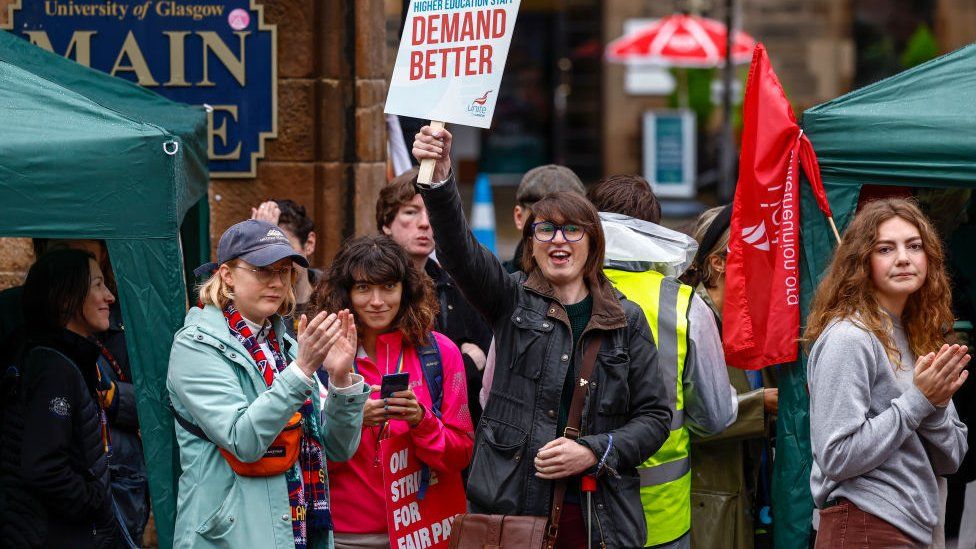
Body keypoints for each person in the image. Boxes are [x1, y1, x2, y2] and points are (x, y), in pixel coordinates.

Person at [412, 125, 672, 548]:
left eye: (573, 229)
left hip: (598, 520)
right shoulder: (510, 298)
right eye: (545, 230)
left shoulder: (627, 319)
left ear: (593, 243)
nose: (558, 240)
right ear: (530, 243)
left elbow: (655, 418)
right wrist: (440, 180)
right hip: (514, 514)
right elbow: (459, 251)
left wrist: (594, 450)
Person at [167, 219, 370, 549]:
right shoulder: (195, 345)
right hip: (230, 536)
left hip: (295, 526)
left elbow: (336, 448)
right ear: (227, 274)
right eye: (263, 270)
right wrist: (303, 370)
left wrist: (341, 380)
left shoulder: (284, 345)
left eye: (284, 271)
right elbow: (243, 440)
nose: (277, 282)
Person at [804, 198, 969, 547]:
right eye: (885, 248)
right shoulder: (849, 337)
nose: (904, 258)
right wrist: (917, 402)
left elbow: (952, 458)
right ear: (861, 261)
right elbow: (837, 456)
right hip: (865, 522)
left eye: (914, 246)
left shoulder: (918, 335)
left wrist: (933, 406)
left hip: (911, 526)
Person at [587, 175, 736, 549]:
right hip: (661, 518)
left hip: (574, 513)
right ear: (653, 231)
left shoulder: (549, 290)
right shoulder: (683, 304)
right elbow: (715, 417)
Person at [311, 235, 474, 549]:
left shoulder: (440, 353)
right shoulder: (319, 356)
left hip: (423, 532)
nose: (376, 300)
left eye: (388, 286)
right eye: (363, 288)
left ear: (405, 290)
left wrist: (422, 421)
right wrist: (351, 417)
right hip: (341, 535)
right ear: (345, 293)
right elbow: (304, 455)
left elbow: (461, 454)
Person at [0, 249, 125, 547]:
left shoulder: (54, 356)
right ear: (66, 298)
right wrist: (94, 498)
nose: (109, 296)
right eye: (97, 285)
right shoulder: (53, 367)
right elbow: (44, 468)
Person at [680, 205, 779, 549]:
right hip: (709, 501)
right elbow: (686, 418)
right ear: (718, 262)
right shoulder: (692, 317)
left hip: (749, 498)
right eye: (752, 247)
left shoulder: (751, 323)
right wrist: (761, 404)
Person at [375, 167, 492, 426]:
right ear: (386, 224)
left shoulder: (454, 283)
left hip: (454, 430)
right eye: (411, 212)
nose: (426, 223)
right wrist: (466, 363)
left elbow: (486, 352)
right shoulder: (374, 288)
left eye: (431, 212)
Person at [252, 199, 321, 338]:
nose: (274, 261)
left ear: (309, 243)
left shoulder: (336, 295)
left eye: (283, 248)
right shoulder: (250, 304)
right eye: (263, 251)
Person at [502, 164, 587, 273]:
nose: (558, 238)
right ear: (519, 217)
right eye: (541, 218)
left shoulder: (600, 282)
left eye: (571, 226)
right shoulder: (498, 283)